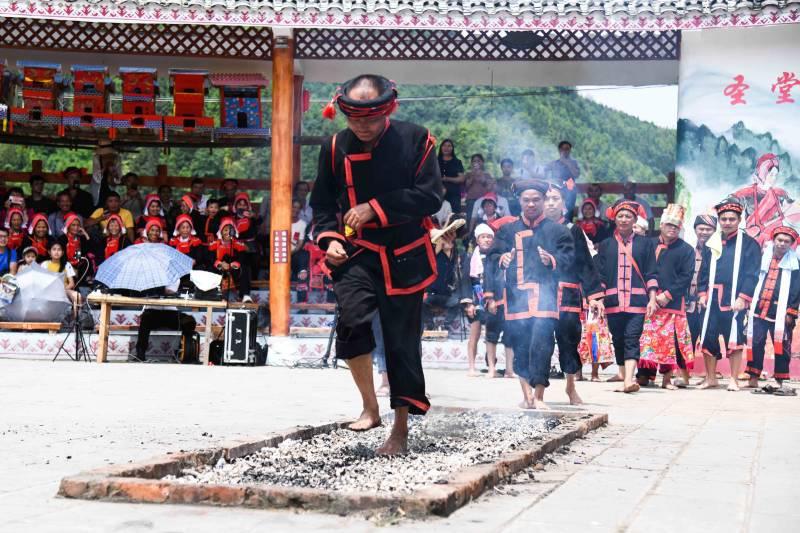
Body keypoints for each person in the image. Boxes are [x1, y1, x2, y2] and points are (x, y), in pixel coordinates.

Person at [311, 74, 442, 455]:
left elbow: (431, 196)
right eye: (354, 119)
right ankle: (370, 406)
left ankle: (399, 429)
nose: (363, 126)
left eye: (371, 118)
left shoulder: (417, 139)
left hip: (406, 252)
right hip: (357, 250)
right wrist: (330, 238)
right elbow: (321, 205)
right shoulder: (334, 147)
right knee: (352, 321)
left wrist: (375, 208)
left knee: (401, 342)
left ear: (389, 110)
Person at [485, 179, 574, 410]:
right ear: (519, 202)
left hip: (546, 299)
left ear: (544, 201)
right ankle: (527, 396)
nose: (531, 204)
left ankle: (540, 396)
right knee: (520, 345)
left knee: (543, 344)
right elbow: (492, 257)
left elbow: (568, 260)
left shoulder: (559, 231)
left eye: (536, 200)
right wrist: (502, 259)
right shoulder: (507, 230)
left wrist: (551, 260)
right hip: (516, 299)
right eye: (526, 200)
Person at [544, 183, 603, 404]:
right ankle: (536, 392)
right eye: (547, 198)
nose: (550, 202)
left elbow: (585, 263)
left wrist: (594, 295)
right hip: (540, 295)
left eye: (555, 198)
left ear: (564, 203)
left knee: (569, 341)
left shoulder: (573, 229)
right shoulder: (533, 228)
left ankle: (570, 388)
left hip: (567, 294)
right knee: (540, 341)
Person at [594, 199, 658, 393]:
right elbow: (602, 275)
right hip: (613, 301)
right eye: (620, 216)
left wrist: (653, 298)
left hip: (637, 301)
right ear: (615, 219)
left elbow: (651, 273)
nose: (623, 219)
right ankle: (622, 373)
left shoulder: (646, 244)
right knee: (618, 338)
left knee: (632, 338)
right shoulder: (606, 245)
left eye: (628, 216)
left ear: (634, 220)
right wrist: (599, 299)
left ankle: (629, 379)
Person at [696, 198, 760, 391]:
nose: (727, 222)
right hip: (712, 299)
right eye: (723, 219)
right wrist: (702, 294)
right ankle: (710, 378)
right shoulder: (712, 243)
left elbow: (752, 274)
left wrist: (743, 297)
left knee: (734, 339)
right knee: (707, 336)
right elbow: (704, 271)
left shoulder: (749, 244)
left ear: (739, 220)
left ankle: (733, 379)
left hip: (734, 300)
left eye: (732, 219)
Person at [636, 205, 697, 390]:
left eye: (676, 226)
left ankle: (667, 379)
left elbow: (686, 277)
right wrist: (651, 295)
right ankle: (644, 375)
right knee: (646, 339)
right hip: (648, 300)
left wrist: (667, 295)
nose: (672, 228)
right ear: (661, 224)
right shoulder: (648, 244)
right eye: (669, 224)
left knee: (670, 341)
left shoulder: (687, 250)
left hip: (672, 302)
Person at [745, 226, 800, 388]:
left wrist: (791, 312)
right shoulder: (762, 258)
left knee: (781, 346)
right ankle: (753, 378)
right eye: (779, 240)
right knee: (755, 344)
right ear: (773, 240)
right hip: (759, 309)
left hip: (781, 313)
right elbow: (752, 279)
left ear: (791, 244)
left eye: (786, 241)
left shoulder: (795, 264)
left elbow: (797, 291)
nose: (782, 244)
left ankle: (780, 379)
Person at [465, 223, 508, 378]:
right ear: (477, 240)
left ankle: (492, 366)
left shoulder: (495, 256)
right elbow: (465, 280)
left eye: (490, 237)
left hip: (492, 299)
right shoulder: (470, 257)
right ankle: (471, 367)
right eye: (483, 237)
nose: (487, 240)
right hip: (475, 298)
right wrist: (468, 302)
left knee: (491, 333)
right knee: (474, 335)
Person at [681, 215, 716, 387]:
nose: (704, 232)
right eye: (701, 228)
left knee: (708, 339)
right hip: (688, 302)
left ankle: (711, 377)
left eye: (708, 229)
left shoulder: (716, 251)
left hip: (707, 303)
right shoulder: (687, 249)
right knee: (687, 338)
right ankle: (685, 375)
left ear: (714, 231)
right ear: (695, 230)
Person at [208, 217, 251, 302]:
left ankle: (245, 295)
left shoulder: (238, 244)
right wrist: (220, 264)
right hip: (219, 269)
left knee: (245, 269)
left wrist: (233, 264)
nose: (228, 232)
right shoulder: (215, 244)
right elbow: (210, 258)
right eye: (225, 230)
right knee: (209, 269)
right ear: (221, 231)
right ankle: (214, 295)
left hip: (233, 269)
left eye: (230, 230)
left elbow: (241, 258)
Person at [547, 141, 581, 219]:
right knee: (555, 210)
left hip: (570, 192)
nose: (565, 151)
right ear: (559, 150)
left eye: (567, 149)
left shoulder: (574, 163)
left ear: (570, 151)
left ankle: (568, 227)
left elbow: (576, 174)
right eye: (563, 149)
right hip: (556, 191)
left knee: (568, 211)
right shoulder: (554, 163)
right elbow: (544, 174)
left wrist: (567, 162)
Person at [58, 213, 92, 285]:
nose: (76, 227)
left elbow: (86, 251)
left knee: (86, 261)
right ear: (68, 226)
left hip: (77, 266)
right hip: (65, 266)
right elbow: (61, 257)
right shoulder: (63, 239)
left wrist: (85, 234)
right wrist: (71, 269)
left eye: (78, 225)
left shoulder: (79, 239)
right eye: (73, 225)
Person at [464, 154, 495, 221]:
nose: (476, 163)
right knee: (470, 219)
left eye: (478, 161)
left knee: (481, 220)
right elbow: (466, 187)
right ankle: (470, 231)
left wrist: (481, 175)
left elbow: (489, 187)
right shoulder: (468, 174)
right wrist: (473, 174)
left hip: (483, 201)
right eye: (474, 161)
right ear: (471, 163)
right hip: (471, 200)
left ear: (482, 162)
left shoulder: (487, 174)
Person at [438, 139, 465, 214]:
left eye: (449, 146)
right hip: (438, 194)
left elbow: (462, 179)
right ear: (441, 147)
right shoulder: (435, 161)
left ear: (452, 148)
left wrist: (447, 179)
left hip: (454, 194)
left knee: (454, 217)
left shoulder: (457, 162)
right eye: (444, 145)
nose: (446, 148)